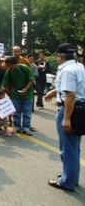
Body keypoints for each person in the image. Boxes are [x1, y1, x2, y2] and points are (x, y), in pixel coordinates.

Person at [45, 43, 85, 191]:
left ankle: (67, 181)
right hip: (80, 108)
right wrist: (54, 91)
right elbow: (72, 89)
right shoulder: (79, 66)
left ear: (59, 56)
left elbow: (70, 95)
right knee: (74, 147)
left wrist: (66, 118)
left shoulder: (67, 70)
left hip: (70, 110)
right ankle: (72, 176)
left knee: (67, 148)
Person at [1, 57, 34, 135]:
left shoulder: (25, 68)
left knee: (27, 112)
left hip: (27, 94)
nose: (9, 67)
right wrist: (0, 92)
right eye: (8, 66)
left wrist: (26, 89)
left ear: (15, 64)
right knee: (16, 113)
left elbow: (31, 79)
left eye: (11, 65)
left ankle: (26, 128)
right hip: (15, 95)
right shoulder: (9, 72)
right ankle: (17, 127)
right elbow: (4, 83)